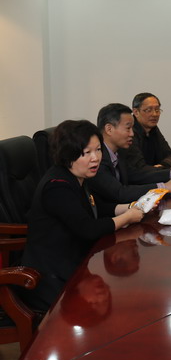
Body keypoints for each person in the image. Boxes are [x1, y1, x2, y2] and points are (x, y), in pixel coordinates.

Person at [19, 120, 145, 312]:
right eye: (87, 153)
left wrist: (129, 207)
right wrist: (127, 218)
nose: (95, 158)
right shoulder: (57, 186)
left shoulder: (77, 176)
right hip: (50, 276)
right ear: (68, 155)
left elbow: (96, 207)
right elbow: (88, 229)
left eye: (98, 150)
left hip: (75, 263)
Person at [90, 103, 171, 203]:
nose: (132, 134)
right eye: (128, 128)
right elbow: (120, 193)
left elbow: (136, 175)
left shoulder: (119, 151)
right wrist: (163, 187)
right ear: (109, 129)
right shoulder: (97, 158)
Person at [126, 92, 171, 170]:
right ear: (136, 112)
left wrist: (162, 166)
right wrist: (159, 169)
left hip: (153, 174)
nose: (154, 114)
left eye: (157, 110)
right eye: (148, 110)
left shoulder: (153, 129)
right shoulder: (130, 132)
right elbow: (139, 167)